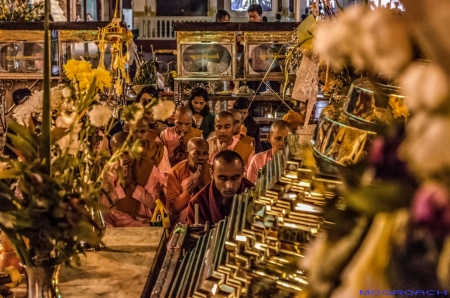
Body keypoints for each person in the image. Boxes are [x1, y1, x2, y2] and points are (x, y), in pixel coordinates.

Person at [101, 131, 165, 227]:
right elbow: (104, 204)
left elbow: (153, 204)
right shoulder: (109, 169)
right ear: (112, 152)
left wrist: (133, 185)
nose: (124, 158)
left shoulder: (148, 168)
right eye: (119, 154)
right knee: (101, 216)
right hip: (117, 218)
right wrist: (122, 187)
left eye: (127, 152)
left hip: (141, 219)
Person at [186, 150, 254, 225]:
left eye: (235, 178)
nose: (229, 185)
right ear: (212, 173)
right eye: (223, 178)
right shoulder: (198, 203)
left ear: (242, 173)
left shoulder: (256, 196)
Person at [165, 138, 211, 225]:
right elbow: (172, 208)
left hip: (207, 216)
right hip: (183, 220)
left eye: (205, 154)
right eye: (197, 154)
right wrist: (193, 184)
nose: (201, 158)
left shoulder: (213, 170)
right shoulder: (176, 172)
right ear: (187, 154)